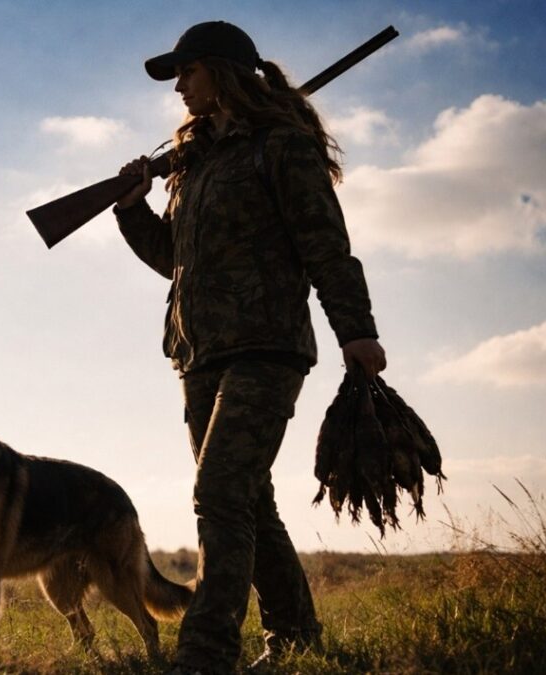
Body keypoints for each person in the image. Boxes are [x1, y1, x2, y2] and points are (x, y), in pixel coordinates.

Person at [113, 21, 387, 674]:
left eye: (188, 71)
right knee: (245, 499)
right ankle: (295, 633)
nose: (178, 85)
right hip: (199, 354)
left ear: (222, 72)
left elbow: (324, 243)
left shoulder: (282, 146)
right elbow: (175, 260)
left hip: (267, 346)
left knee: (219, 491)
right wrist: (130, 209)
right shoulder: (196, 162)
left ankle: (205, 655)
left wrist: (357, 329)